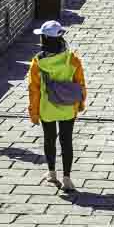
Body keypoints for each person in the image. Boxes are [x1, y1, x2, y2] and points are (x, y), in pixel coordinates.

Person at [27, 20, 87, 192]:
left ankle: (52, 174)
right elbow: (80, 83)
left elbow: (34, 90)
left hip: (47, 107)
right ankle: (67, 178)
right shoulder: (72, 58)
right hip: (68, 107)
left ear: (45, 38)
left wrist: (34, 112)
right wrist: (80, 104)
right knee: (66, 141)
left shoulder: (38, 62)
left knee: (49, 139)